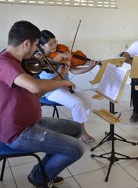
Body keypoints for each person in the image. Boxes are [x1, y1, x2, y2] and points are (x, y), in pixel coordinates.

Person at [0, 21, 85, 188]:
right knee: (77, 149)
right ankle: (39, 177)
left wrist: (60, 75)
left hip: (34, 122)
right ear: (26, 43)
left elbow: (36, 93)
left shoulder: (21, 63)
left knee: (77, 129)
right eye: (35, 46)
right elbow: (36, 86)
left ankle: (44, 170)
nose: (35, 51)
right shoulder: (5, 62)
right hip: (19, 132)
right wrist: (62, 84)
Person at [35, 30, 99, 143]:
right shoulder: (38, 57)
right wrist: (59, 58)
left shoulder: (61, 52)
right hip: (51, 89)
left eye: (55, 42)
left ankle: (75, 121)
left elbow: (74, 70)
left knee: (87, 99)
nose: (55, 46)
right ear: (41, 45)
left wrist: (90, 67)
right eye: (50, 44)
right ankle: (81, 132)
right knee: (77, 103)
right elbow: (50, 65)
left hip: (67, 85)